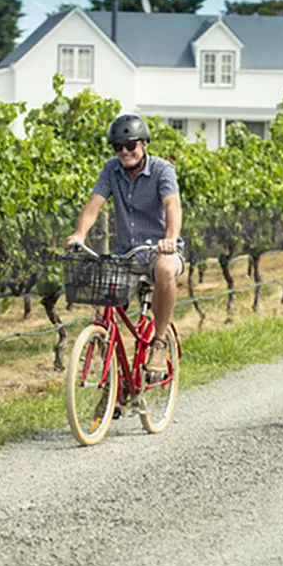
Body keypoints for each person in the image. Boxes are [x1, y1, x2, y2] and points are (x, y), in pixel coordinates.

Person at [65, 114, 184, 377]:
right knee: (101, 301)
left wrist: (170, 239)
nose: (124, 152)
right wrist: (80, 234)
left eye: (130, 146)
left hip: (158, 251)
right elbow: (94, 204)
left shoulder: (163, 170)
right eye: (118, 146)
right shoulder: (111, 169)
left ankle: (160, 342)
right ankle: (111, 379)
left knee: (165, 270)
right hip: (126, 256)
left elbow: (172, 205)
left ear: (144, 145)